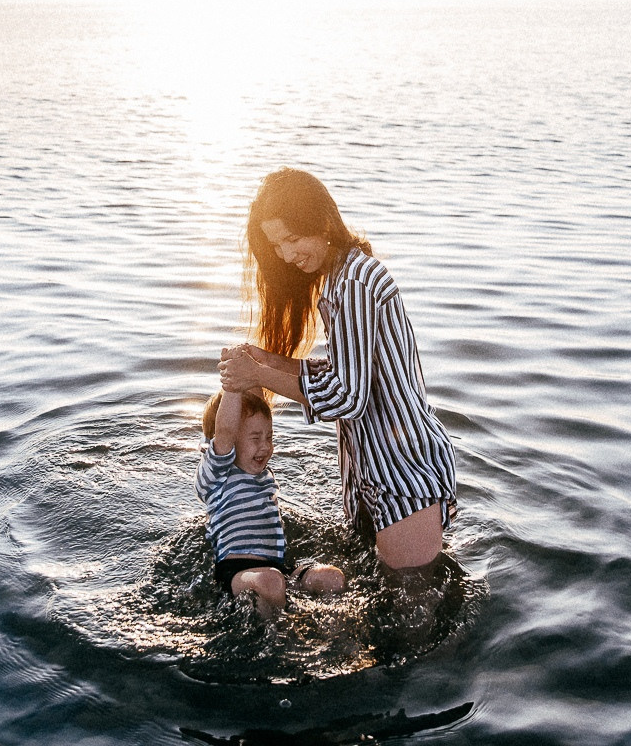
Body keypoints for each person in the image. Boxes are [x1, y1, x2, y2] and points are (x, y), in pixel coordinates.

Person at [218, 167, 458, 574]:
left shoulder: (355, 283)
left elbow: (348, 395)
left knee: (413, 626)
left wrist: (258, 376)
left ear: (322, 221)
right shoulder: (337, 281)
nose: (287, 255)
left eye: (292, 239)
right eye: (277, 246)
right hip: (374, 474)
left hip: (403, 477)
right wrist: (271, 361)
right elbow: (350, 371)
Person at [196, 373, 345, 619]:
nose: (265, 446)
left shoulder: (262, 472)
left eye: (269, 437)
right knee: (271, 582)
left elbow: (256, 401)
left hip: (279, 568)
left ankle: (333, 637)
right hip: (236, 572)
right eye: (255, 439)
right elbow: (224, 430)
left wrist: (250, 367)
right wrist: (233, 381)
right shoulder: (216, 475)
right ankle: (283, 638)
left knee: (332, 578)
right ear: (230, 442)